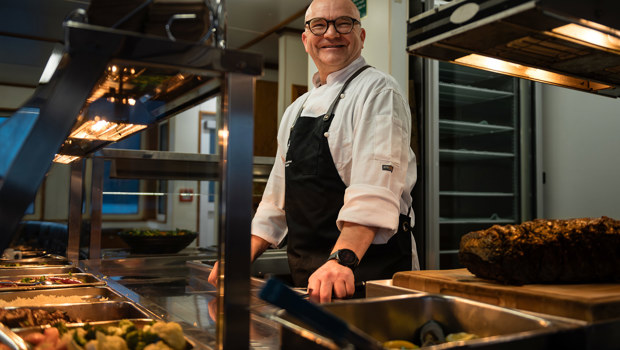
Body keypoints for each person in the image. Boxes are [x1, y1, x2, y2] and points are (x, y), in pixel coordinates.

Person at [209, 0, 419, 303]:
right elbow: (275, 200)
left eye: (343, 24)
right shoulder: (296, 110)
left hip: (369, 271)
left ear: (360, 37)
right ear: (306, 40)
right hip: (311, 277)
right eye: (319, 25)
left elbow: (374, 190)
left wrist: (341, 260)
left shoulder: (379, 89)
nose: (331, 33)